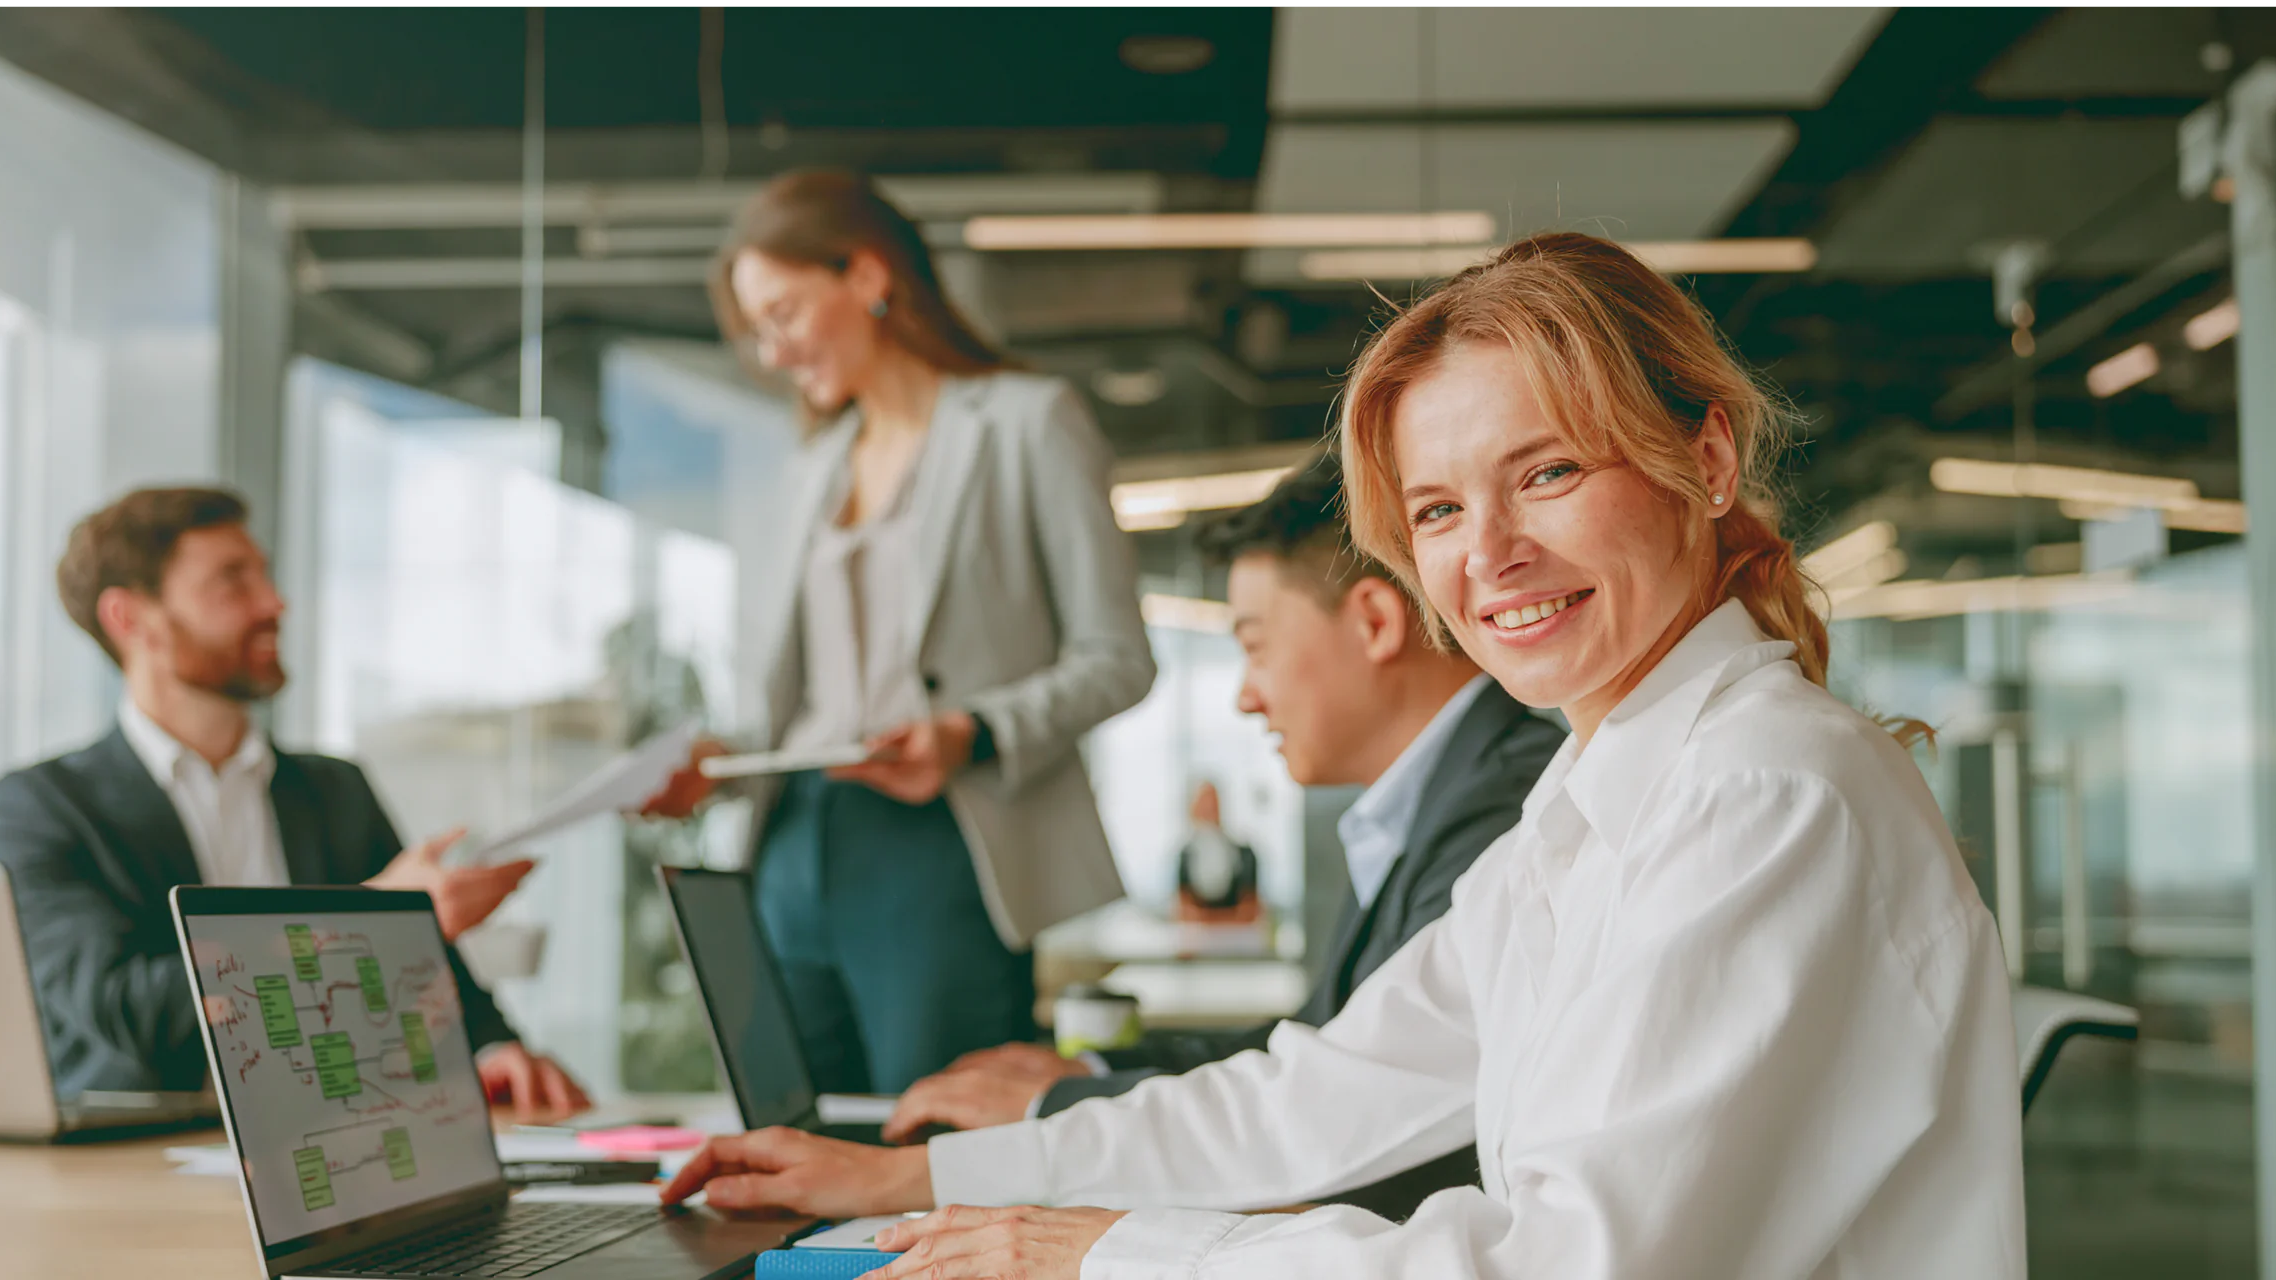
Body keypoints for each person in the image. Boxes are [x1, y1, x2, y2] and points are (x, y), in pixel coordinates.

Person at [657, 231, 2025, 1280]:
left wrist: (1103, 1248)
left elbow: (1565, 1265)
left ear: (1707, 460)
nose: (1488, 557)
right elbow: (1308, 1102)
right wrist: (920, 1183)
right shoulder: (1598, 798)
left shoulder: (1763, 792)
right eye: (1438, 508)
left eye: (1547, 473)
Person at [883, 451, 1563, 1228]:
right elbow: (1313, 1051)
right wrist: (1085, 1075)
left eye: (1254, 645)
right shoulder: (1443, 801)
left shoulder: (1509, 812)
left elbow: (1333, 1116)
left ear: (1375, 622)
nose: (1244, 694)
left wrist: (1051, 1114)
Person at [639, 169, 1154, 1095]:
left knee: (931, 1148)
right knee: (793, 1141)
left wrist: (974, 729)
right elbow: (802, 698)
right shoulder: (814, 464)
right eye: (758, 330)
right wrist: (720, 763)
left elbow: (1117, 659)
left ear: (870, 277)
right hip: (790, 843)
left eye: (785, 312)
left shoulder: (1027, 422)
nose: (774, 350)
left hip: (937, 849)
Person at [0, 487, 587, 1121]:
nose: (274, 603)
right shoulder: (43, 808)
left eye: (263, 575)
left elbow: (428, 972)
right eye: (231, 583)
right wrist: (368, 916)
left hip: (345, 1138)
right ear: (131, 620)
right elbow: (129, 1012)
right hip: (143, 1163)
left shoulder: (334, 790)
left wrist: (490, 1047)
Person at [1172, 781, 1261, 926]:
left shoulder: (1245, 854)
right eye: (1203, 805)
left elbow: (1249, 911)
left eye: (1212, 804)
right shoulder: (1185, 855)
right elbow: (1183, 911)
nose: (1208, 810)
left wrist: (1205, 919)